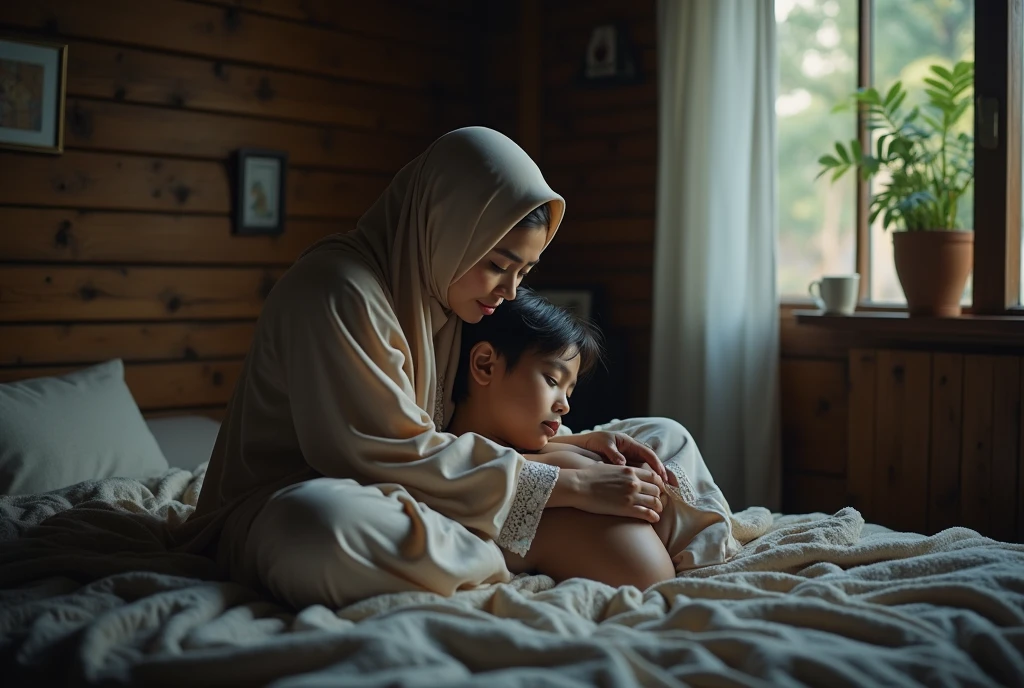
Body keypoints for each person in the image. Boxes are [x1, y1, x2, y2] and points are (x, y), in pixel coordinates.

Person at [175, 127, 734, 609]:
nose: (510, 291)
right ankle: (515, 548)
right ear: (445, 225)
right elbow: (375, 452)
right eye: (497, 265)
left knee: (662, 437)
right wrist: (566, 485)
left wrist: (585, 446)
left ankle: (658, 552)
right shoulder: (336, 291)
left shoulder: (449, 294)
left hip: (434, 490)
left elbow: (470, 426)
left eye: (525, 270)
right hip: (314, 494)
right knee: (318, 528)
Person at [449, 287, 740, 584]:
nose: (564, 404)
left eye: (568, 390)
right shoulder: (444, 460)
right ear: (485, 364)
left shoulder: (549, 445)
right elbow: (650, 575)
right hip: (630, 559)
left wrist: (582, 443)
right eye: (552, 380)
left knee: (662, 433)